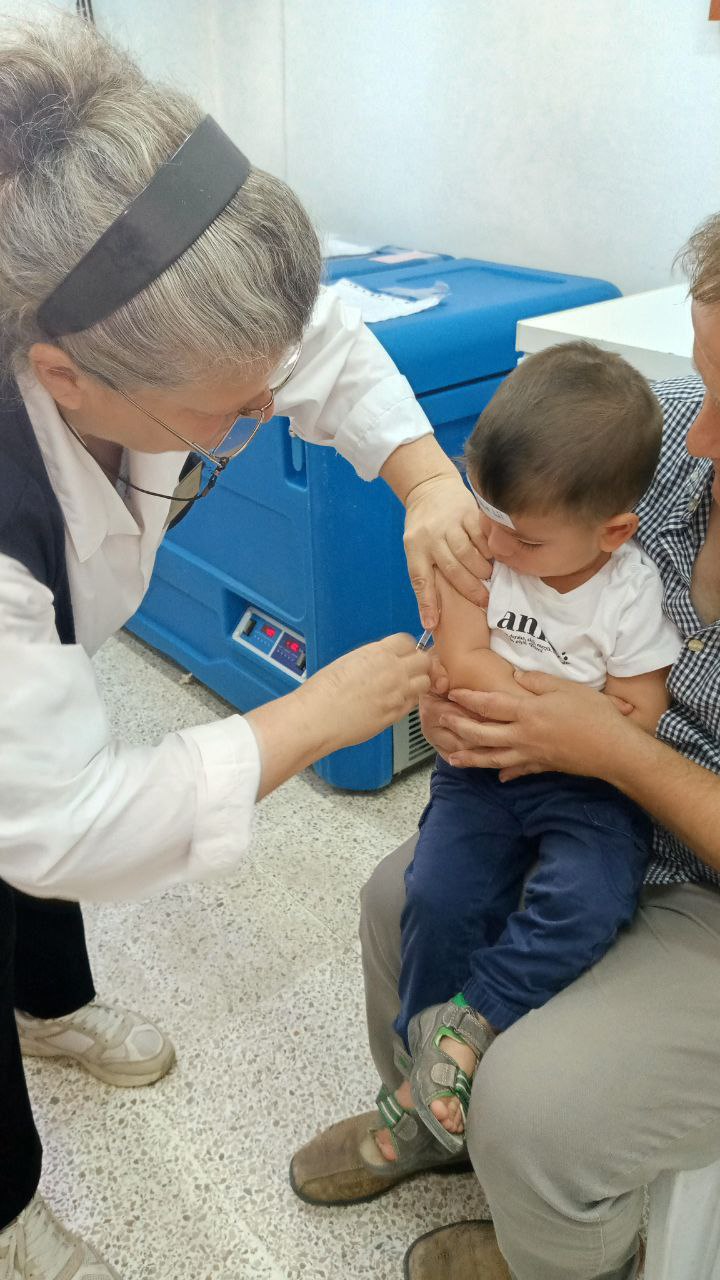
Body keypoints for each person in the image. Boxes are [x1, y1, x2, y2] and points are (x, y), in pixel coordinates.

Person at [0, 15, 488, 1279]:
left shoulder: (137, 294)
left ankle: (52, 1004)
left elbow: (306, 342)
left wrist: (428, 476)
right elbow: (62, 822)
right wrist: (315, 715)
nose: (267, 412)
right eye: (230, 410)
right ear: (64, 377)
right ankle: (6, 1206)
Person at [290, 219, 720, 1280]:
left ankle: (566, 1245)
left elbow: (622, 716)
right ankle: (431, 1109)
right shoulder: (653, 436)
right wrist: (458, 695)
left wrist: (610, 750)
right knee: (401, 897)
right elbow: (477, 561)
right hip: (568, 781)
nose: (701, 437)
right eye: (707, 373)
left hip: (676, 850)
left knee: (538, 1106)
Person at [380, 342, 681, 1159]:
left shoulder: (631, 589)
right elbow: (460, 660)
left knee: (590, 898)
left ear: (612, 533)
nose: (493, 542)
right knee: (436, 893)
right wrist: (572, 712)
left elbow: (641, 712)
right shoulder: (481, 543)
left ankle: (471, 1021)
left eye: (526, 539)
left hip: (590, 786)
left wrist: (574, 727)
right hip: (482, 772)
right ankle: (420, 1057)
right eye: (488, 511)